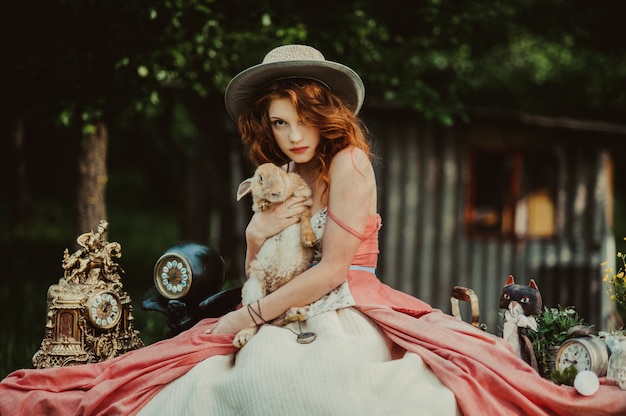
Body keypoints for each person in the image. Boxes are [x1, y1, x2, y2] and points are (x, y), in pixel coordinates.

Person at [1, 44, 625, 416]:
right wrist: (258, 233)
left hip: (346, 302)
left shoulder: (351, 163)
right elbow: (258, 268)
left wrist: (247, 319)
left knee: (302, 384)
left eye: (302, 119)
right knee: (182, 383)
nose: (292, 135)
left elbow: (330, 271)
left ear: (325, 112)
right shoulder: (279, 173)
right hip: (281, 301)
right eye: (277, 124)